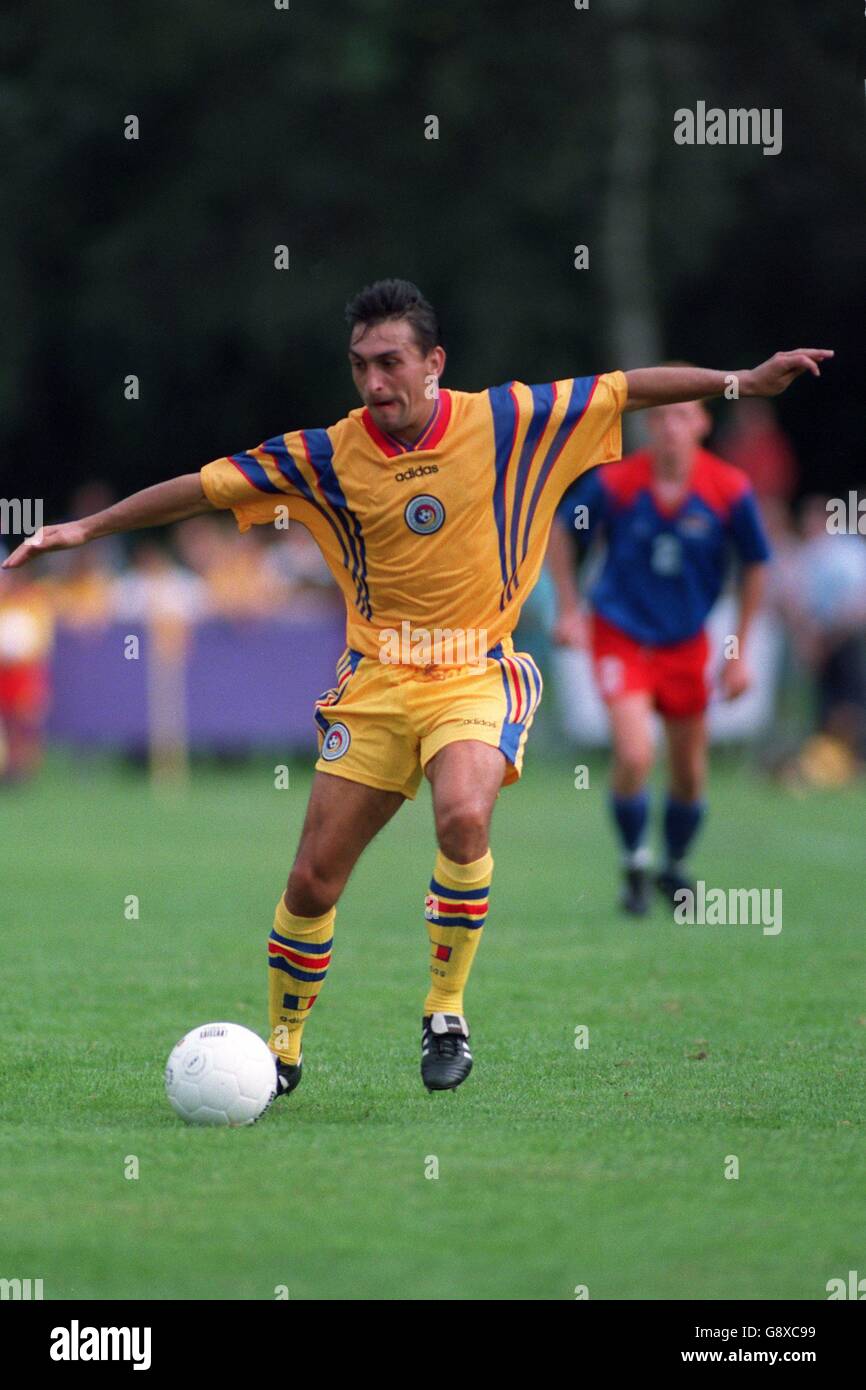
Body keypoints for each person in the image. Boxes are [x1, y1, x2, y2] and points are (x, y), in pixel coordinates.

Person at [1, 278, 832, 1094]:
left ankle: (444, 1012)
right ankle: (283, 1046)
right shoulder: (325, 454)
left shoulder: (506, 419)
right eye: (361, 364)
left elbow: (627, 388)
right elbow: (206, 485)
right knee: (312, 882)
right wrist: (85, 529)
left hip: (476, 669)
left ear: (434, 361)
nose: (374, 381)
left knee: (465, 812)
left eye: (391, 361)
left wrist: (743, 380)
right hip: (377, 682)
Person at [546, 396, 771, 915]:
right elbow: (563, 529)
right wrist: (567, 608)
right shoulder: (617, 483)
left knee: (690, 772)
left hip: (686, 642)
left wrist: (740, 653)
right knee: (634, 753)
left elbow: (757, 564)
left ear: (702, 424)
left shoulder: (729, 489)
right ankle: (634, 863)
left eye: (682, 415)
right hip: (620, 633)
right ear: (649, 426)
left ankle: (674, 866)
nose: (670, 426)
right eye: (661, 416)